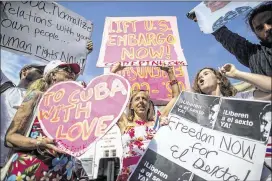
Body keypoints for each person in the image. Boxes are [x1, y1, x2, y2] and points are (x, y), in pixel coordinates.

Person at [3, 60, 89, 180]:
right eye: (67, 70)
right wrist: (39, 143)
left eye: (74, 72)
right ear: (53, 75)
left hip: (61, 174)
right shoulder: (36, 97)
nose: (72, 74)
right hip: (29, 171)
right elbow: (10, 138)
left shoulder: (74, 109)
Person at [192, 66, 271, 181]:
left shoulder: (240, 100)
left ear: (218, 79)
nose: (201, 78)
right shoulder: (199, 115)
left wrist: (237, 74)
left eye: (206, 74)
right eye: (199, 77)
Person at [111, 63, 180, 181]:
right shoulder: (124, 123)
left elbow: (176, 97)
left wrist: (170, 73)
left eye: (145, 99)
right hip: (128, 175)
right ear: (131, 106)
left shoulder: (157, 122)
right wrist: (113, 72)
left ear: (149, 105)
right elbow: (108, 98)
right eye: (137, 99)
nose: (141, 101)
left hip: (152, 173)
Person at [188, 2, 272, 76]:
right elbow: (226, 37)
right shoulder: (254, 55)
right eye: (260, 28)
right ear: (255, 34)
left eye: (270, 21)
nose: (267, 28)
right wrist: (204, 18)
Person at [1, 65, 44, 168]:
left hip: (15, 168)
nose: (43, 74)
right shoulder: (5, 87)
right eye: (40, 71)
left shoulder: (42, 99)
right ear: (25, 71)